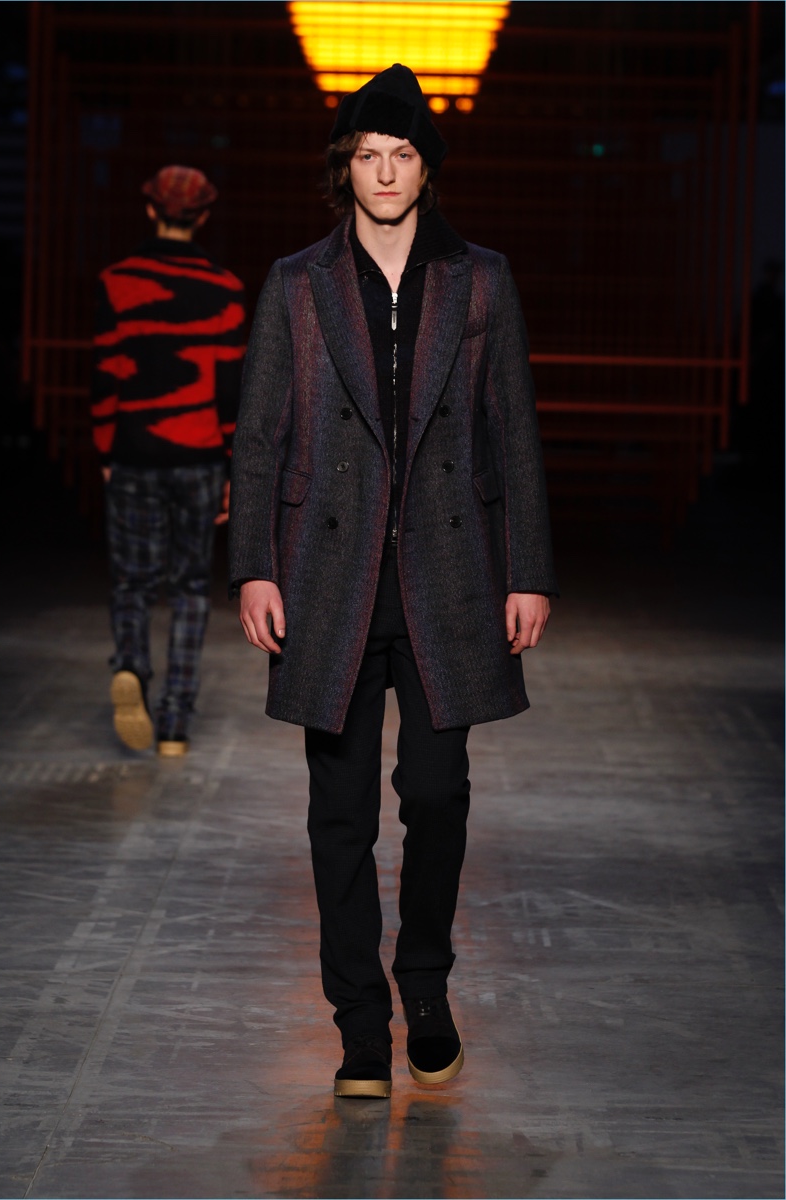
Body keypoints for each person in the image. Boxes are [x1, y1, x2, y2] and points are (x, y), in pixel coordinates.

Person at [229, 65, 557, 1098]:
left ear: (425, 168)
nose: (383, 173)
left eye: (401, 155)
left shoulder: (481, 280)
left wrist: (528, 571)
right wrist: (253, 567)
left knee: (436, 793)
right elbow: (258, 433)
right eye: (367, 156)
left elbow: (513, 429)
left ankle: (424, 987)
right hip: (327, 575)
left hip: (445, 574)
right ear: (347, 168)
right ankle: (359, 1029)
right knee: (339, 814)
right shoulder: (296, 283)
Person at [91, 165, 246, 756]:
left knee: (132, 581)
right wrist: (232, 468)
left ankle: (132, 664)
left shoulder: (116, 282)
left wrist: (105, 449)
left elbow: (106, 374)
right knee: (189, 587)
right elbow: (230, 390)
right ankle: (176, 724)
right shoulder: (225, 288)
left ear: (150, 209)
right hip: (200, 456)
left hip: (134, 452)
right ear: (203, 216)